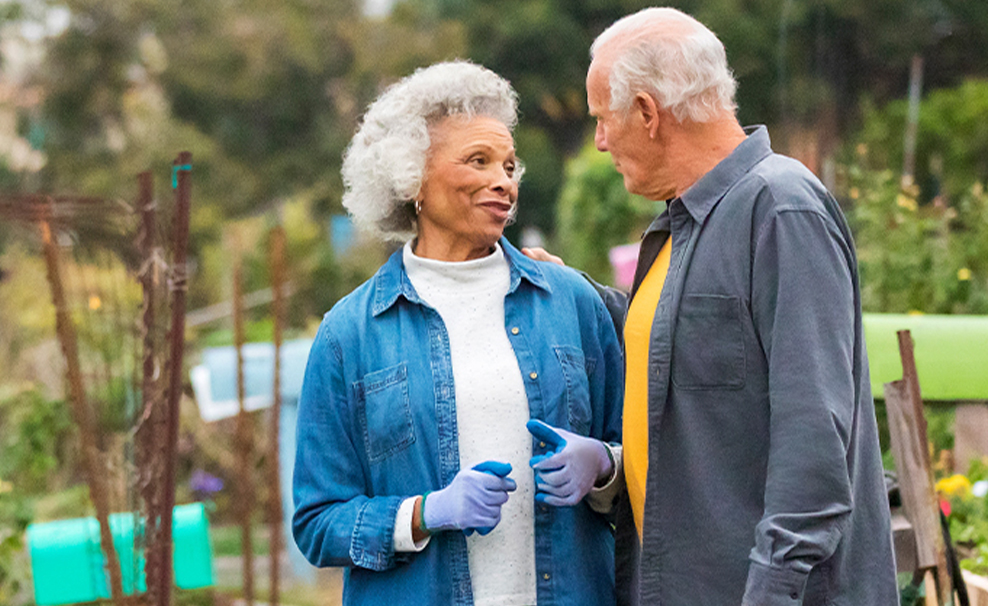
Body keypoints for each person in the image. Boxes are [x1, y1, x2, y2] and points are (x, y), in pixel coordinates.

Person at [525, 8, 898, 606]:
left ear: (647, 112)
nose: (598, 140)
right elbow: (695, 342)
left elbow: (814, 442)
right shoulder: (685, 223)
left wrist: (771, 593)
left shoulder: (781, 208)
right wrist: (578, 291)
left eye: (602, 118)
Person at [291, 60, 624, 606]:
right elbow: (317, 521)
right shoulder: (349, 334)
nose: (504, 181)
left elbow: (646, 461)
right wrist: (422, 514)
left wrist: (606, 467)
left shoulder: (573, 303)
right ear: (411, 178)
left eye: (510, 165)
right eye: (478, 161)